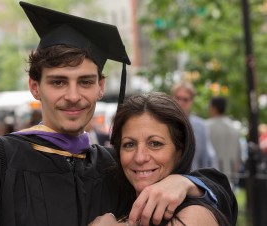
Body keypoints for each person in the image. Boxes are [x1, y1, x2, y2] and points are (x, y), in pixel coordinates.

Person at [0, 2, 237, 226]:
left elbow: (222, 197)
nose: (73, 96)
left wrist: (186, 182)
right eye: (58, 82)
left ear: (100, 87)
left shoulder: (116, 165)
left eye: (85, 81)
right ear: (35, 87)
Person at [88, 92, 235, 226]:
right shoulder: (118, 200)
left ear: (179, 151)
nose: (140, 157)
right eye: (129, 144)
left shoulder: (191, 216)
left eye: (155, 144)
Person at [171, 81, 217, 169]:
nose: (181, 103)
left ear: (191, 101)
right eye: (178, 98)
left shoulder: (201, 126)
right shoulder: (163, 123)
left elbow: (207, 158)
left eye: (185, 99)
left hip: (192, 179)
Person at [207, 96, 242, 187]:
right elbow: (238, 155)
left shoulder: (206, 126)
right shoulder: (234, 128)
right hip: (230, 175)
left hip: (211, 175)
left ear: (213, 108)